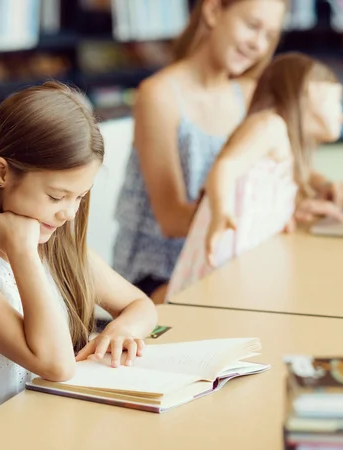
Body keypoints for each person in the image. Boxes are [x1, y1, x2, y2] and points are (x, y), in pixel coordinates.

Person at [0, 82, 158, 450]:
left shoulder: (60, 247)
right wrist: (23, 253)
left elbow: (141, 305)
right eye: (57, 196)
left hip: (48, 428)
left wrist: (119, 331)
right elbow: (55, 365)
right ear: (2, 173)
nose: (69, 213)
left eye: (80, 197)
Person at [112, 0, 289, 303]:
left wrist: (323, 189)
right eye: (252, 25)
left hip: (221, 261)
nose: (258, 44)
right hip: (155, 274)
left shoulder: (247, 94)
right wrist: (260, 214)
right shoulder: (159, 95)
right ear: (213, 11)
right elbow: (170, 219)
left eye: (269, 35)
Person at [166, 52, 343, 299]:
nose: (342, 114)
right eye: (338, 101)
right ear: (310, 92)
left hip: (246, 266)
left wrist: (292, 209)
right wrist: (221, 211)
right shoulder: (270, 126)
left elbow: (261, 195)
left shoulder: (285, 143)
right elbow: (225, 167)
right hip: (226, 265)